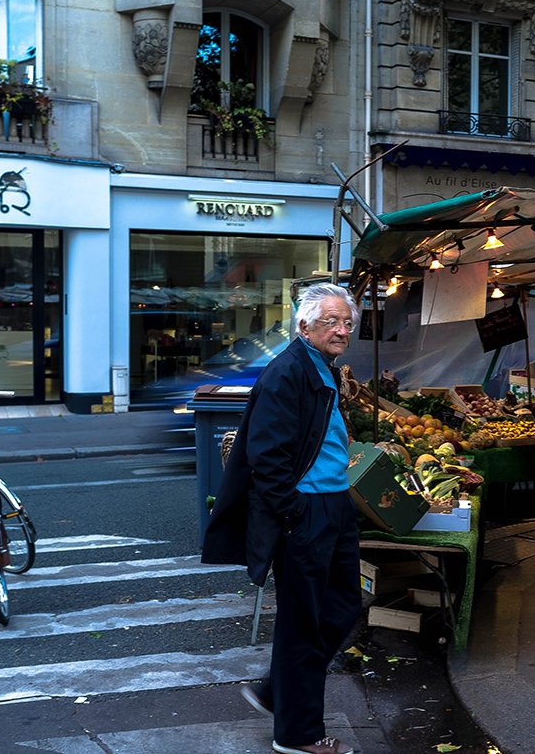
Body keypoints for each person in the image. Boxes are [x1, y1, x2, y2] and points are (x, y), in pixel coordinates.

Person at [201, 283, 361, 754]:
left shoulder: (320, 368)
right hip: (306, 510)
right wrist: (292, 513)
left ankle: (277, 692)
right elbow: (265, 456)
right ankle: (299, 734)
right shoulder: (287, 372)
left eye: (347, 322)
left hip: (334, 504)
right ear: (304, 325)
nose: (342, 330)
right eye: (331, 321)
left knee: (343, 606)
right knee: (303, 622)